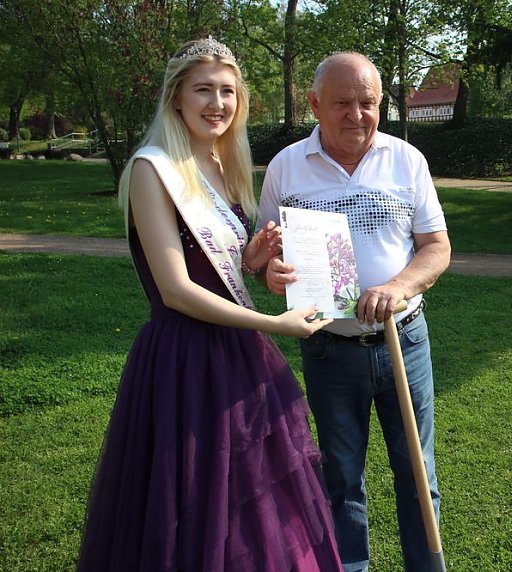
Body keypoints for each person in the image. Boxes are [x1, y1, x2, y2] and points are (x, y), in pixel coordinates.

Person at [77, 37, 343, 571]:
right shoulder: (153, 170)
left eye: (227, 91)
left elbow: (214, 266)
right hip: (183, 358)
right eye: (203, 90)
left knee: (252, 494)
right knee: (194, 497)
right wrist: (273, 323)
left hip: (237, 352)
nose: (216, 103)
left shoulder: (222, 166)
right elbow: (175, 288)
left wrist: (251, 259)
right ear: (176, 98)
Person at [256, 52, 451, 572]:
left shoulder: (407, 160)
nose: (357, 115)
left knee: (417, 475)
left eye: (367, 103)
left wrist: (399, 284)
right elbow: (266, 256)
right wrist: (270, 272)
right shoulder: (285, 167)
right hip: (328, 348)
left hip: (402, 341)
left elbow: (436, 247)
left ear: (381, 104)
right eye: (342, 103)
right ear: (315, 104)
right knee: (341, 479)